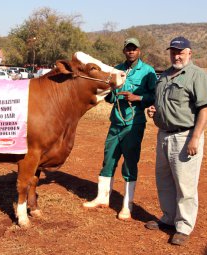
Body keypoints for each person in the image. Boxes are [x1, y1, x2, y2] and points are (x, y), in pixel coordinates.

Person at [145, 36, 207, 245]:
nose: (176, 55)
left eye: (181, 52)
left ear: (189, 53)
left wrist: (195, 137)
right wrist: (154, 110)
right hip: (164, 135)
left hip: (185, 136)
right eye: (173, 51)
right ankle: (168, 218)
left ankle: (183, 225)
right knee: (164, 181)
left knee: (185, 184)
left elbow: (205, 108)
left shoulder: (196, 75)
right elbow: (162, 103)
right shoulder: (164, 75)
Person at [83, 38, 157, 220]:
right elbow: (109, 94)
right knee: (108, 159)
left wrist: (136, 98)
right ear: (124, 51)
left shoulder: (148, 71)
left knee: (130, 162)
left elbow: (154, 95)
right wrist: (106, 95)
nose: (131, 51)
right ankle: (102, 198)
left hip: (134, 123)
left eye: (134, 49)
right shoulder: (116, 69)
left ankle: (127, 205)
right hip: (116, 121)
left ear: (139, 51)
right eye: (128, 49)